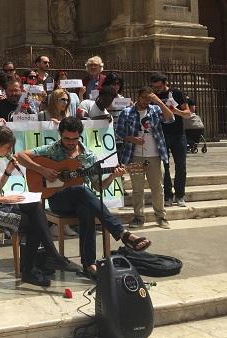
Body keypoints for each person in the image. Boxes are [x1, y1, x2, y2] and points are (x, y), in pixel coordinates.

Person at [17, 116, 152, 279]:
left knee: (87, 208)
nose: (70, 142)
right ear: (60, 135)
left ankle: (90, 265)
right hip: (58, 200)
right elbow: (20, 156)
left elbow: (98, 187)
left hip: (80, 200)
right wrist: (42, 170)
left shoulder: (88, 156)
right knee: (80, 190)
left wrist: (113, 176)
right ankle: (122, 233)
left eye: (75, 139)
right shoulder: (52, 149)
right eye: (67, 138)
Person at [0, 123, 79, 287]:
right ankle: (41, 263)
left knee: (35, 207)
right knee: (34, 222)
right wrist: (7, 199)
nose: (9, 152)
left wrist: (8, 171)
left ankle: (42, 261)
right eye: (7, 148)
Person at [116, 87, 174, 229]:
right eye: (143, 98)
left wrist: (159, 101)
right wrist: (132, 139)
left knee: (157, 188)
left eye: (149, 99)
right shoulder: (127, 112)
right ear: (138, 96)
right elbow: (119, 132)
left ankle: (161, 217)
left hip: (155, 154)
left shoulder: (155, 109)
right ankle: (138, 217)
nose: (146, 101)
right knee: (137, 188)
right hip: (135, 155)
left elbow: (170, 118)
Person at [151, 72, 192, 207]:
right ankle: (168, 195)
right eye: (154, 87)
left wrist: (175, 111)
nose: (157, 89)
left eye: (159, 87)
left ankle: (180, 195)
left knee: (181, 165)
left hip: (178, 134)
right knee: (165, 167)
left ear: (165, 83)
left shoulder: (176, 93)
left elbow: (187, 114)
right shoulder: (153, 96)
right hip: (161, 135)